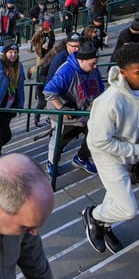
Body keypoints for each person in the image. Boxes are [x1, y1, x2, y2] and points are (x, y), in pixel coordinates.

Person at [82, 44, 139, 254]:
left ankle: (104, 226)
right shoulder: (109, 101)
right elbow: (97, 142)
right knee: (128, 208)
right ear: (123, 73)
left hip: (133, 151)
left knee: (116, 195)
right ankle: (93, 216)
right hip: (108, 156)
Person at [42, 42, 104, 178]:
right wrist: (62, 109)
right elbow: (48, 91)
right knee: (59, 141)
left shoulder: (93, 70)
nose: (95, 67)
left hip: (84, 112)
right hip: (67, 115)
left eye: (96, 63)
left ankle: (81, 158)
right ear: (81, 60)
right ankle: (52, 163)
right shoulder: (67, 70)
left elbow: (100, 88)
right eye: (92, 63)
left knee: (95, 136)